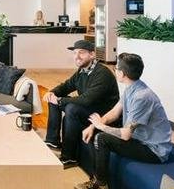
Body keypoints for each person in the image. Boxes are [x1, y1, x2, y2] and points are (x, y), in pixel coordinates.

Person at [76, 53, 172, 189]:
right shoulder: (131, 88)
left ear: (122, 73)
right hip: (139, 139)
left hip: (154, 150)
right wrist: (93, 125)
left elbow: (126, 135)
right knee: (97, 132)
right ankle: (96, 180)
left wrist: (102, 127)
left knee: (102, 138)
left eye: (116, 67)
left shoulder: (142, 96)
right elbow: (114, 112)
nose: (114, 69)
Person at [45, 40, 120, 169]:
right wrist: (52, 93)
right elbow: (67, 85)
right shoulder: (82, 71)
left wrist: (60, 100)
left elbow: (86, 100)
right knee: (54, 100)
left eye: (81, 53)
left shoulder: (102, 74)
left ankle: (69, 157)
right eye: (75, 53)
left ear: (92, 55)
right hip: (89, 108)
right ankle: (53, 141)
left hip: (102, 115)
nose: (76, 56)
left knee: (71, 108)